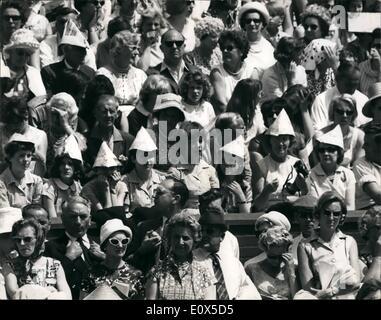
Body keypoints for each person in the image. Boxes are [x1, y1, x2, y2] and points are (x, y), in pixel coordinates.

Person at [297, 191, 361, 300]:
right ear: (318, 214)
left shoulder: (349, 242)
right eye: (327, 213)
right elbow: (309, 289)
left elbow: (355, 282)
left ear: (341, 216)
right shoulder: (305, 245)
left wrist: (332, 291)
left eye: (336, 214)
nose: (331, 218)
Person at [193, 206, 262, 300]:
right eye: (201, 231)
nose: (204, 235)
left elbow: (247, 288)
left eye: (210, 231)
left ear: (222, 236)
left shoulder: (232, 261)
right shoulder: (191, 260)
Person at [44, 196, 105, 300]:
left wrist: (106, 258)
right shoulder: (51, 247)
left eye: (83, 216)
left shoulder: (103, 243)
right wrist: (68, 258)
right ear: (63, 219)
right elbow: (48, 282)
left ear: (90, 220)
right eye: (72, 216)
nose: (77, 222)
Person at [145, 212, 216, 300]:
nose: (180, 242)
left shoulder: (204, 274)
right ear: (170, 239)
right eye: (176, 237)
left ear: (194, 241)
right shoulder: (156, 272)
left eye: (185, 238)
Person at [126, 178, 190, 274]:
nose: (154, 196)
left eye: (160, 193)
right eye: (155, 192)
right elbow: (127, 262)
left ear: (176, 199)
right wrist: (142, 250)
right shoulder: (145, 227)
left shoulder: (191, 229)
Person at [253, 109, 308, 211]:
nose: (280, 144)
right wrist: (267, 191)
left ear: (290, 141)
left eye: (284, 139)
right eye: (276, 139)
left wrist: (304, 188)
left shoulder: (297, 163)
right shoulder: (262, 165)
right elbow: (256, 206)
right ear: (270, 141)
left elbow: (308, 200)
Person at [2, 218, 71, 299]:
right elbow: (16, 295)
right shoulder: (9, 265)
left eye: (27, 239)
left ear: (38, 239)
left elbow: (67, 297)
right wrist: (50, 291)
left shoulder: (55, 264)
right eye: (17, 239)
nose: (22, 243)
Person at [81, 219, 143, 300]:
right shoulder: (91, 274)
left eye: (124, 241)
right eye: (114, 241)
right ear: (105, 245)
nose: (120, 245)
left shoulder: (136, 274)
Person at [168, 121, 219, 211]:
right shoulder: (175, 172)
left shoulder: (210, 170)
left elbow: (216, 201)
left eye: (200, 141)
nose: (199, 146)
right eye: (193, 142)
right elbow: (175, 204)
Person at [40, 19, 95, 96]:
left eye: (84, 50)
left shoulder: (89, 73)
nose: (84, 53)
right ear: (66, 50)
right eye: (79, 50)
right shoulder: (50, 72)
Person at [310, 62, 371, 131]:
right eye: (348, 84)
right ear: (337, 80)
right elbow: (318, 131)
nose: (352, 88)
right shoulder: (321, 100)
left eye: (355, 84)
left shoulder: (364, 100)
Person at [308, 125, 356, 210]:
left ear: (339, 152)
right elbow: (315, 205)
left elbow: (350, 206)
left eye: (330, 150)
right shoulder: (311, 175)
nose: (326, 153)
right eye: (322, 150)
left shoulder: (348, 174)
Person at [97, 30, 147, 109]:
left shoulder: (140, 75)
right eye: (133, 48)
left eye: (138, 48)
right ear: (118, 49)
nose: (137, 52)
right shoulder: (103, 74)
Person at [245, 226, 297, 300]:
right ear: (265, 250)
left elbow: (299, 296)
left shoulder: (294, 268)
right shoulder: (252, 269)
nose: (276, 261)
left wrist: (291, 272)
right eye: (273, 257)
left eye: (281, 257)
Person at [0, 96, 48, 176]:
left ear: (26, 117)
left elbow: (42, 166)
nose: (12, 127)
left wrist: (30, 150)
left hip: (30, 183)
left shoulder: (40, 135)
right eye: (9, 124)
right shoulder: (2, 130)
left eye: (15, 123)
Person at [39, 6, 96, 70]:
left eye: (69, 23)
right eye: (62, 22)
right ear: (56, 25)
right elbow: (47, 71)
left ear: (78, 25)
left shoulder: (84, 46)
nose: (65, 26)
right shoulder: (45, 45)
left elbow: (91, 71)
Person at [315, 95, 364, 168]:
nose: (344, 116)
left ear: (353, 115)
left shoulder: (359, 135)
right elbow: (317, 166)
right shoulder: (321, 135)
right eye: (340, 111)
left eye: (349, 112)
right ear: (332, 112)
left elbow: (359, 166)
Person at [123, 127, 165, 213]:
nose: (148, 161)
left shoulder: (162, 180)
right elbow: (125, 213)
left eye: (151, 156)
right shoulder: (125, 182)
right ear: (133, 158)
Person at [210, 30, 253, 114]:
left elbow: (253, 102)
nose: (225, 51)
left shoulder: (251, 71)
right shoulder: (217, 73)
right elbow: (221, 104)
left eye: (229, 48)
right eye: (223, 48)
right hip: (226, 119)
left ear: (241, 51)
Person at [85, 95, 134, 168]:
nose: (108, 115)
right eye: (104, 112)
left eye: (111, 111)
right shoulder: (86, 140)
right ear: (95, 113)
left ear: (117, 114)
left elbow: (133, 169)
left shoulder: (128, 140)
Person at [81, 142, 128, 214]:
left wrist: (112, 189)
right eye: (103, 168)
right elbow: (104, 215)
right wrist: (106, 191)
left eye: (112, 168)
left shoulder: (122, 186)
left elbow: (118, 214)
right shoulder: (88, 188)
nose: (108, 172)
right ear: (96, 170)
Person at [3, 28, 46, 100]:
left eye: (27, 54)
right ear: (10, 51)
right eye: (20, 53)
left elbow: (41, 100)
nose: (23, 57)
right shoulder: (2, 68)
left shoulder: (33, 73)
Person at [0, 138, 43, 209]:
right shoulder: (2, 183)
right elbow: (5, 212)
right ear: (10, 158)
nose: (26, 159)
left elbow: (37, 209)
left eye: (29, 156)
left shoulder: (36, 181)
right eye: (21, 155)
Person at [238, 2, 276, 79]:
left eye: (256, 20)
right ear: (243, 24)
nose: (252, 24)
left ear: (262, 24)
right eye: (248, 21)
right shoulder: (238, 46)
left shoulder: (270, 47)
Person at [261, 36, 307, 101]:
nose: (303, 56)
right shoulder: (270, 76)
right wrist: (291, 81)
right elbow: (283, 106)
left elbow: (304, 99)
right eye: (300, 54)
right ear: (290, 57)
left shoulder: (301, 70)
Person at [42, 148, 83, 219]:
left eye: (70, 164)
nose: (66, 167)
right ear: (57, 167)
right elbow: (52, 217)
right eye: (62, 164)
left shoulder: (78, 186)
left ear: (75, 167)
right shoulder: (50, 186)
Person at [148, 29, 192, 94]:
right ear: (161, 48)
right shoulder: (152, 75)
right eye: (169, 43)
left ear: (184, 47)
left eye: (178, 43)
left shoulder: (195, 72)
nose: (174, 46)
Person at [226, 78, 266, 144]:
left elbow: (261, 131)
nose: (263, 94)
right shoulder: (233, 119)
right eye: (260, 93)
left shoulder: (257, 109)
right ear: (251, 98)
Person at [353, 122, 381, 209]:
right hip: (368, 215)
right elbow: (377, 196)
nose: (363, 147)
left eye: (368, 144)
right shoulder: (360, 164)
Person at [359, 28, 381, 96]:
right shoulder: (361, 67)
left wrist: (379, 67)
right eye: (373, 46)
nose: (374, 50)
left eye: (379, 46)